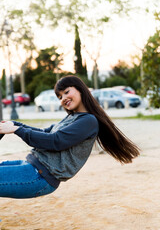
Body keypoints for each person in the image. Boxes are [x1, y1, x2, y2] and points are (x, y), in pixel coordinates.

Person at [0, 75, 140, 199]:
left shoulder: (88, 121)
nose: (63, 98)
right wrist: (15, 125)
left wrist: (17, 130)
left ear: (80, 89)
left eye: (66, 92)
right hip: (31, 166)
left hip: (39, 176)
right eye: (60, 96)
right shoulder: (72, 117)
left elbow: (55, 141)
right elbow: (45, 133)